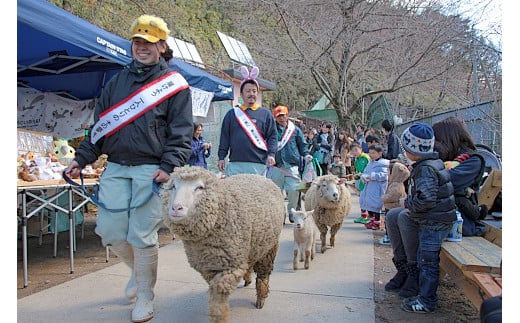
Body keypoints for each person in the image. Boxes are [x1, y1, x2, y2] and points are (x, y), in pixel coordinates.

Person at [65, 14, 193, 323]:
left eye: (148, 43)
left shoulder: (175, 85)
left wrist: (169, 165)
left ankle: (145, 294)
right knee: (109, 229)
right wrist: (81, 158)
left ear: (162, 46)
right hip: (117, 167)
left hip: (152, 170)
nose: (141, 47)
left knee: (141, 234)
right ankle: (139, 273)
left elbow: (181, 132)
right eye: (137, 42)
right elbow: (99, 129)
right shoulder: (117, 82)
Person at [386, 122, 456, 314]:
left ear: (412, 151)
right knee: (394, 217)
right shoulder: (429, 163)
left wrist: (406, 203)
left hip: (434, 223)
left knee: (427, 261)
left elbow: (426, 200)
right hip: (433, 218)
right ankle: (405, 272)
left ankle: (426, 300)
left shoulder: (425, 169)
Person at [432, 117, 487, 236]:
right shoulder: (444, 158)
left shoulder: (473, 160)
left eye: (438, 141)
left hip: (461, 221)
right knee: (396, 216)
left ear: (448, 138)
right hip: (437, 214)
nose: (435, 145)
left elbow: (446, 182)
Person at [217, 66, 277, 176]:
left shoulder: (266, 114)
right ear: (241, 94)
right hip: (236, 164)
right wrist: (221, 157)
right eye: (248, 91)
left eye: (254, 91)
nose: (251, 94)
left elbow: (272, 137)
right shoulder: (232, 114)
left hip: (258, 165)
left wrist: (272, 154)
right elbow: (225, 137)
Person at [269, 105, 311, 223]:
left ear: (287, 115)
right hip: (276, 166)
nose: (281, 118)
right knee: (277, 191)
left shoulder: (295, 130)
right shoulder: (271, 129)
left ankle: (292, 211)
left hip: (292, 164)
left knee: (294, 189)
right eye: (279, 116)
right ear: (275, 117)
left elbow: (302, 144)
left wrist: (306, 154)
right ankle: (280, 214)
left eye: (283, 115)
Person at [359, 144, 389, 230]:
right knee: (369, 205)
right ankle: (371, 220)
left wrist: (372, 176)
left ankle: (377, 222)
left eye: (373, 153)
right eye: (370, 153)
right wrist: (364, 176)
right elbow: (365, 172)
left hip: (377, 188)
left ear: (380, 154)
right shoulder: (370, 163)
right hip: (369, 187)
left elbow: (385, 176)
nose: (371, 155)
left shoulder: (383, 164)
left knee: (376, 206)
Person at [379, 160, 410, 245]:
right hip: (391, 207)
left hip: (392, 207)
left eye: (389, 171)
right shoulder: (394, 183)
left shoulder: (395, 185)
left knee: (390, 223)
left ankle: (389, 238)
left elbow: (392, 196)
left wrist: (383, 198)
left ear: (394, 173)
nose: (387, 174)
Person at [350, 142, 371, 223]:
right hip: (361, 182)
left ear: (361, 149)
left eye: (356, 150)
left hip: (368, 181)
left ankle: (370, 217)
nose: (354, 152)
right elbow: (357, 170)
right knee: (362, 200)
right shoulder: (356, 160)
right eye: (352, 151)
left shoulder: (366, 158)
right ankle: (363, 216)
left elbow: (369, 168)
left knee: (367, 200)